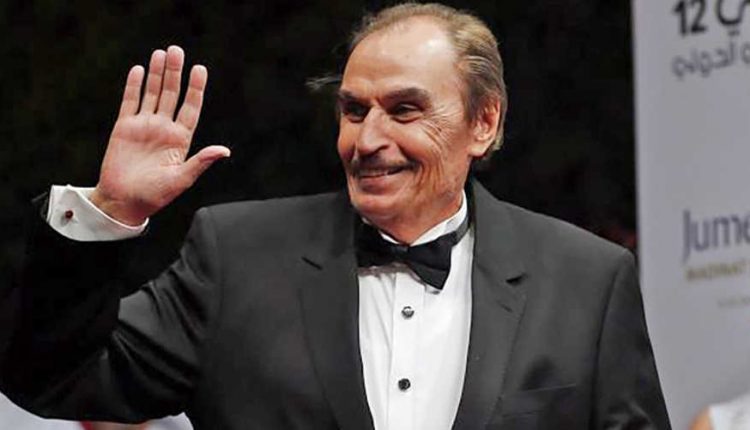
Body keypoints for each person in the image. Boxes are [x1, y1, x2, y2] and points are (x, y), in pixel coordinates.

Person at [0, 3, 670, 429]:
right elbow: (55, 380)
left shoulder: (587, 280)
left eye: (404, 110)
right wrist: (110, 213)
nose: (367, 139)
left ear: (483, 122)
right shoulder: (237, 258)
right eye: (354, 110)